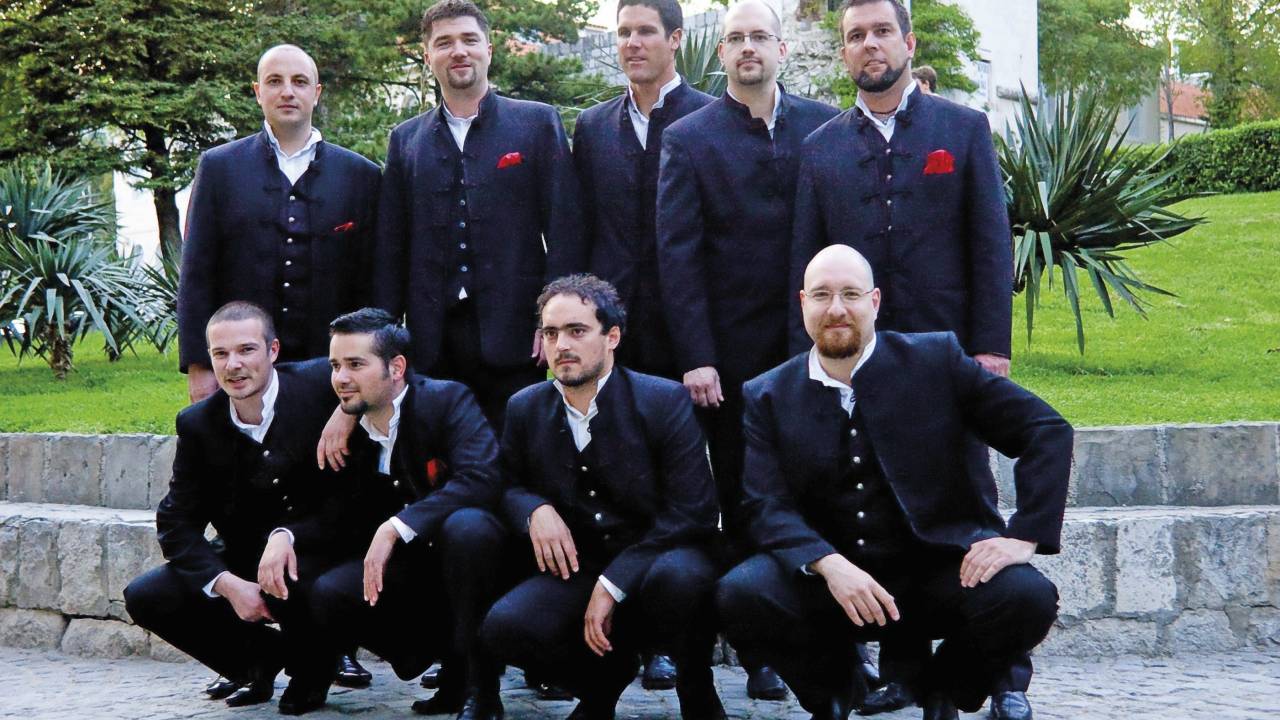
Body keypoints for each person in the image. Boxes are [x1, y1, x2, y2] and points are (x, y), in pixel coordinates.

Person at [786, 3, 1024, 712]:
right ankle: (906, 669)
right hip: (862, 363)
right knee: (884, 508)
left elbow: (991, 243)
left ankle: (1005, 676)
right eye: (855, 36)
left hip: (953, 357)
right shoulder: (821, 148)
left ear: (908, 41)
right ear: (844, 53)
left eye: (881, 31)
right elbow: (806, 262)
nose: (870, 45)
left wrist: (991, 347)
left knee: (972, 504)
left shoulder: (963, 129)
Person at [717, 245, 1070, 720]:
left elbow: (1045, 429)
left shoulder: (936, 360)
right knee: (742, 592)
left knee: (1027, 597)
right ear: (802, 303)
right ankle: (836, 688)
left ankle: (942, 687)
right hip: (834, 582)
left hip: (937, 573)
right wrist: (827, 564)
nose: (836, 309)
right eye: (821, 295)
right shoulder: (768, 393)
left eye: (850, 294)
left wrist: (1024, 535)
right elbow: (765, 505)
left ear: (875, 301)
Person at [655, 0, 839, 699]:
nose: (747, 48)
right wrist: (696, 356)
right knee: (742, 496)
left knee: (821, 492)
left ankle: (835, 640)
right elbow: (678, 256)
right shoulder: (689, 138)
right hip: (728, 359)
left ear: (782, 49)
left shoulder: (825, 126)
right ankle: (758, 647)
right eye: (735, 38)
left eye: (760, 36)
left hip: (815, 349)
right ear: (720, 53)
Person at [480, 275, 725, 720]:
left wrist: (613, 583)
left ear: (612, 337)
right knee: (506, 627)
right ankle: (603, 685)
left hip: (657, 560)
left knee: (682, 579)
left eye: (577, 331)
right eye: (551, 333)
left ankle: (696, 686)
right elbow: (505, 484)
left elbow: (694, 511)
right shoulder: (524, 406)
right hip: (580, 567)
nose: (561, 345)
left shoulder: (663, 400)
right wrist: (534, 509)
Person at [124, 301, 345, 715]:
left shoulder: (321, 383)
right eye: (220, 354)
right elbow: (176, 520)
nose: (233, 365)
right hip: (247, 553)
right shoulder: (197, 423)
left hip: (324, 547)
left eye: (246, 350)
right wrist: (226, 584)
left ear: (273, 350)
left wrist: (347, 413)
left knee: (293, 577)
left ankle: (314, 665)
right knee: (147, 595)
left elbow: (388, 379)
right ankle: (257, 661)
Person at [374, 0, 585, 429]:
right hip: (432, 342)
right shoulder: (406, 140)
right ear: (427, 55)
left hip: (516, 335)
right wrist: (385, 341)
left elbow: (566, 229)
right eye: (444, 43)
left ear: (488, 49)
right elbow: (391, 246)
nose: (459, 51)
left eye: (469, 40)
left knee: (518, 452)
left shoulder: (536, 123)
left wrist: (554, 322)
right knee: (441, 453)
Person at [307, 308, 508, 720]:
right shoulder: (344, 425)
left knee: (468, 529)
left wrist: (397, 527)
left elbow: (482, 477)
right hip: (409, 570)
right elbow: (332, 514)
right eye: (335, 365)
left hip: (469, 559)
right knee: (329, 592)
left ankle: (481, 688)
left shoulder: (445, 399)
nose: (341, 377)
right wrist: (284, 535)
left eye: (355, 364)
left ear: (396, 367)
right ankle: (436, 658)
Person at [178, 44, 380, 411]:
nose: (287, 91)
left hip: (332, 371)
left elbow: (373, 282)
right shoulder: (220, 168)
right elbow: (197, 273)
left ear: (316, 93)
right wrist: (199, 364)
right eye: (275, 81)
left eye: (299, 82)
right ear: (258, 92)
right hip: (242, 372)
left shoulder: (361, 175)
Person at [574, 0, 713, 381]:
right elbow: (579, 227)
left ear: (675, 39)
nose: (632, 43)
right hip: (610, 330)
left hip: (691, 333)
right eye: (624, 33)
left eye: (646, 31)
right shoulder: (591, 126)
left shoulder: (711, 120)